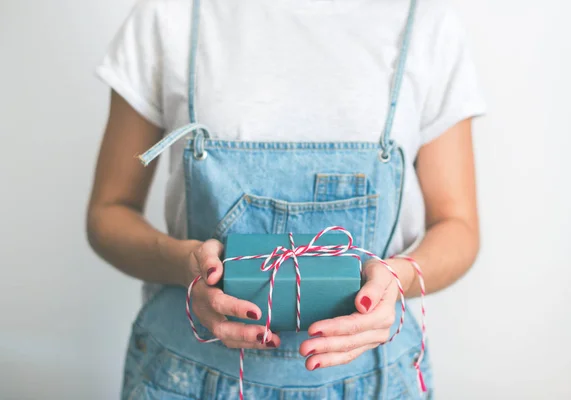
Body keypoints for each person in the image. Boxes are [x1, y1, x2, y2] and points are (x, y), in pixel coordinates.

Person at [88, 0, 485, 398]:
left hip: (376, 381)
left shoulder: (424, 25)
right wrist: (186, 265)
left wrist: (397, 279)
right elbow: (109, 213)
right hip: (184, 377)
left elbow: (458, 227)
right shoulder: (170, 14)